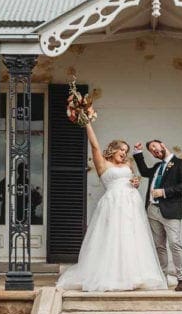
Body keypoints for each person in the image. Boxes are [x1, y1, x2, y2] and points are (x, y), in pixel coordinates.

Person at [56, 121, 168, 292]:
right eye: (121, 149)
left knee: (132, 237)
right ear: (112, 149)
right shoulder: (103, 164)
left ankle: (134, 275)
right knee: (113, 237)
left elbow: (133, 179)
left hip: (131, 203)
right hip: (113, 204)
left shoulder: (128, 164)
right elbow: (94, 145)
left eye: (126, 151)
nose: (124, 153)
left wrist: (136, 182)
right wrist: (87, 123)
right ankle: (113, 275)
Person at [133, 139, 182, 291]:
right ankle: (162, 278)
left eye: (154, 146)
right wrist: (138, 153)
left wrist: (164, 192)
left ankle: (181, 279)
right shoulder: (157, 166)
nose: (153, 151)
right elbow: (144, 172)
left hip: (171, 210)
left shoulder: (181, 163)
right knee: (159, 246)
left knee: (174, 244)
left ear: (163, 145)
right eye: (151, 150)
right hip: (152, 209)